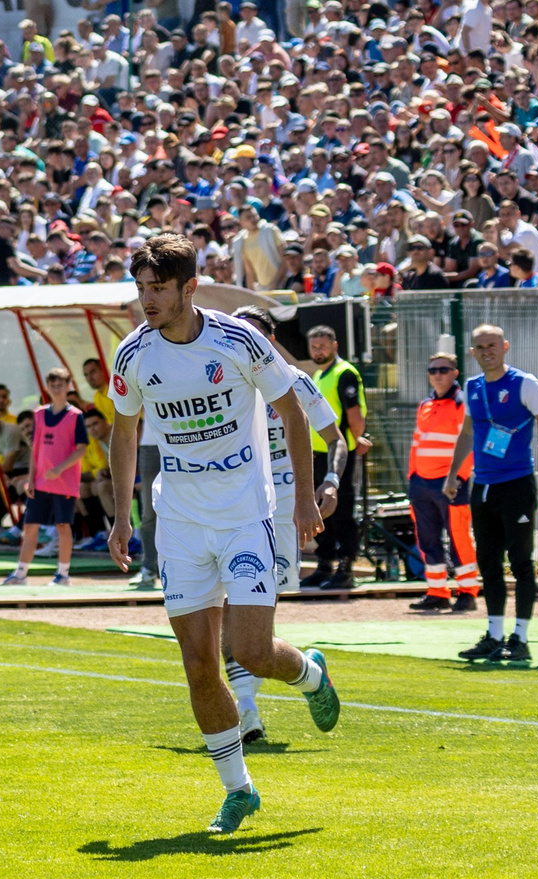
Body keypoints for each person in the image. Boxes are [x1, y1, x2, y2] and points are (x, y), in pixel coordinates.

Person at [107, 233, 342, 834]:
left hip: (244, 517)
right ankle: (239, 790)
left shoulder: (238, 340)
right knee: (198, 664)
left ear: (189, 287)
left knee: (253, 653)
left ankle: (309, 673)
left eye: (158, 289)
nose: (147, 300)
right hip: (180, 525)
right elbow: (125, 432)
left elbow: (293, 414)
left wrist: (303, 502)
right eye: (140, 289)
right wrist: (120, 519)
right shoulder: (134, 355)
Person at [224, 309, 346, 744]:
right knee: (227, 610)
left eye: (253, 335)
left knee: (252, 616)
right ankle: (249, 712)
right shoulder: (226, 381)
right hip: (233, 507)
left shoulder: (295, 380)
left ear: (271, 339)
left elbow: (336, 439)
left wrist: (328, 483)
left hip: (280, 511)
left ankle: (274, 693)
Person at [444, 323, 538, 664]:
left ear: (505, 346)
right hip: (482, 485)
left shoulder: (525, 383)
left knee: (521, 561)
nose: (487, 351)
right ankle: (494, 635)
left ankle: (521, 638)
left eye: (492, 345)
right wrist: (454, 473)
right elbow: (468, 433)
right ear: (472, 352)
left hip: (517, 483)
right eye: (480, 347)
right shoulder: (472, 386)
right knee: (488, 561)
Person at [404, 347, 480, 614]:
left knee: (459, 538)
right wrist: (412, 476)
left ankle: (468, 592)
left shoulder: (462, 403)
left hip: (450, 484)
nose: (438, 375)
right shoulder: (425, 405)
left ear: (455, 373)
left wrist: (458, 477)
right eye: (433, 370)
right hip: (421, 483)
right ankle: (437, 592)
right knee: (428, 540)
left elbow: (470, 443)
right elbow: (416, 443)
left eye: (443, 370)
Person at [302, 323, 368, 591]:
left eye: (323, 346)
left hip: (340, 453)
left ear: (334, 346)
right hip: (318, 453)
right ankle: (325, 564)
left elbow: (354, 414)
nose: (318, 351)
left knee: (342, 511)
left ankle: (345, 567)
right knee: (321, 512)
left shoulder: (345, 373)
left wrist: (356, 438)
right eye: (314, 346)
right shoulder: (318, 375)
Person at [4, 368, 81, 586]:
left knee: (63, 526)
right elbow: (35, 450)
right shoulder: (38, 414)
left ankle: (64, 575)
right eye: (53, 385)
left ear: (68, 387)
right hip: (40, 483)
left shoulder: (75, 416)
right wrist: (30, 478)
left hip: (65, 483)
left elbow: (81, 449)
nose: (57, 389)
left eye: (61, 385)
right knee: (30, 525)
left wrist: (59, 468)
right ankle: (20, 574)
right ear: (47, 388)